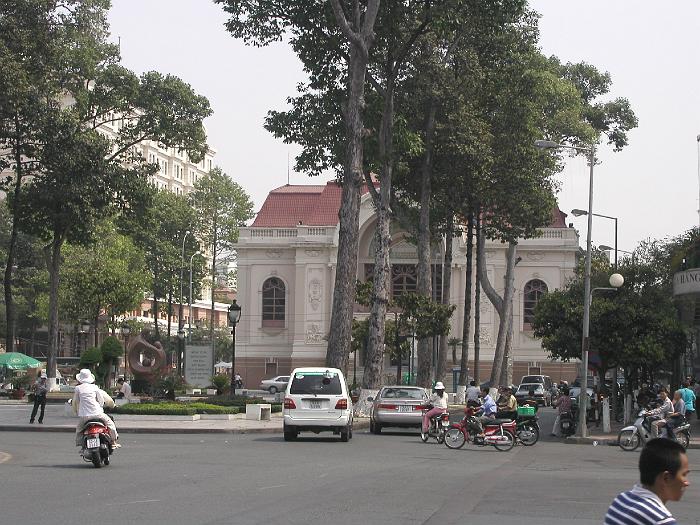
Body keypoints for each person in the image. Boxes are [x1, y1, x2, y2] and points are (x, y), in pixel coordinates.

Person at [604, 438, 689, 524]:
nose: (687, 483)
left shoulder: (620, 500)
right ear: (666, 478)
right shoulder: (661, 520)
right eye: (684, 475)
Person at [72, 369, 119, 449]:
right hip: (98, 414)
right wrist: (100, 406)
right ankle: (114, 441)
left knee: (79, 430)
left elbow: (76, 402)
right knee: (111, 425)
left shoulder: (78, 389)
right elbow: (101, 400)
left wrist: (76, 412)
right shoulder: (95, 388)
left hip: (84, 417)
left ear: (79, 379)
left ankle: (80, 444)